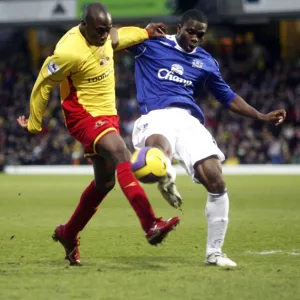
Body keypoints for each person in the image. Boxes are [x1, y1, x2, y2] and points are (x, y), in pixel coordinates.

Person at [17, 2, 180, 266]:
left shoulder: (104, 35)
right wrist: (35, 124)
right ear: (85, 26)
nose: (105, 35)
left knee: (105, 183)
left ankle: (68, 233)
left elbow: (119, 37)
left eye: (107, 29)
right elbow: (44, 83)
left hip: (108, 117)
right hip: (82, 117)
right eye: (100, 31)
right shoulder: (67, 52)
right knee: (120, 152)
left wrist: (146, 32)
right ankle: (150, 223)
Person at [127, 9, 286, 267]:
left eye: (200, 34)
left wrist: (260, 116)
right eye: (190, 31)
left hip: (189, 119)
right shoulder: (151, 44)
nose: (195, 37)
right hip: (155, 115)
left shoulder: (206, 61)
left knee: (216, 179)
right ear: (179, 28)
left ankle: (214, 253)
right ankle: (165, 174)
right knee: (158, 151)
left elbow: (227, 97)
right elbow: (113, 39)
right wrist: (142, 31)